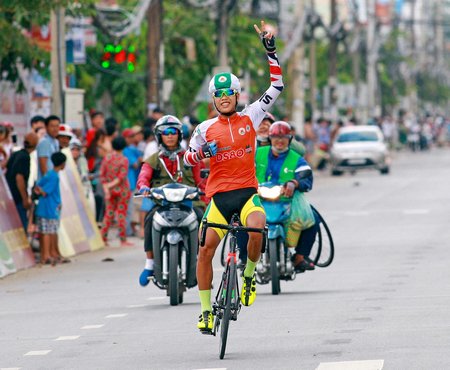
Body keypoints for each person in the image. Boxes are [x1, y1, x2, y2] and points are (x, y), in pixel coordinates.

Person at [184, 20, 284, 332]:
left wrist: (271, 51)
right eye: (219, 93)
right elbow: (187, 158)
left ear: (238, 94)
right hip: (219, 198)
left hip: (247, 194)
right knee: (204, 252)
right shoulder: (203, 129)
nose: (225, 97)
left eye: (230, 92)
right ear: (213, 98)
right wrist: (202, 154)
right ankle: (204, 311)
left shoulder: (252, 115)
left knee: (257, 228)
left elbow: (277, 86)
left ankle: (249, 275)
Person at [136, 115, 206, 286]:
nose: (169, 135)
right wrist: (144, 187)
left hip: (190, 203)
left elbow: (201, 180)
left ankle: (201, 262)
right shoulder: (153, 159)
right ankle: (150, 264)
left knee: (202, 220)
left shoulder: (191, 157)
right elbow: (143, 176)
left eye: (173, 131)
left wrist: (206, 190)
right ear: (159, 136)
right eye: (165, 132)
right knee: (149, 219)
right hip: (162, 204)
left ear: (179, 134)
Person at [255, 121, 317, 271]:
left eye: (283, 137)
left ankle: (300, 257)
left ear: (290, 139)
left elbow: (306, 176)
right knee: (239, 223)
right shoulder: (257, 154)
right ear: (270, 138)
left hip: (288, 201)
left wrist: (294, 182)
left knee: (312, 220)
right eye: (276, 137)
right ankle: (244, 257)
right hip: (258, 199)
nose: (280, 141)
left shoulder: (296, 158)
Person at [34, 152, 68, 265]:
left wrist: (38, 190)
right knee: (49, 232)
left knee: (44, 232)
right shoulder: (54, 177)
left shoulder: (49, 174)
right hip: (50, 208)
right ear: (63, 164)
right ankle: (48, 255)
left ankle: (47, 254)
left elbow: (38, 185)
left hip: (43, 207)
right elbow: (45, 192)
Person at [100, 136, 131, 246]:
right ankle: (123, 239)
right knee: (121, 214)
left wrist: (107, 187)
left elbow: (102, 175)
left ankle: (103, 238)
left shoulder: (107, 158)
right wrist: (110, 185)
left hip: (110, 190)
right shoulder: (124, 160)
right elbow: (121, 177)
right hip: (122, 190)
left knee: (109, 214)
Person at [5, 131, 39, 231]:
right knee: (20, 225)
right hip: (17, 197)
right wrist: (25, 198)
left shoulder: (16, 154)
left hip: (10, 195)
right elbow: (19, 178)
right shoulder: (24, 157)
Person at [122, 128, 143, 236]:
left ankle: (128, 230)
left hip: (132, 181)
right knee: (129, 208)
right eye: (129, 137)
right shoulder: (127, 150)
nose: (132, 139)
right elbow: (135, 164)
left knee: (131, 207)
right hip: (128, 182)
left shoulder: (133, 148)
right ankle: (126, 231)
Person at [36, 115, 60, 180]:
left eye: (57, 126)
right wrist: (48, 182)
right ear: (46, 127)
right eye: (52, 126)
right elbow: (43, 166)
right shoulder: (44, 142)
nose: (55, 129)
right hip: (46, 183)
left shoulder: (56, 142)